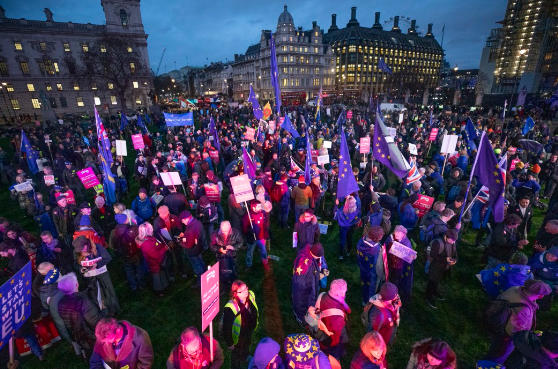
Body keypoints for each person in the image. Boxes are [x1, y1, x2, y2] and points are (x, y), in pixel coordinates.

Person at [483, 279, 552, 364]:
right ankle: (491, 364)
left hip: (496, 318)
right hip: (506, 336)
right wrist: (531, 335)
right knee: (500, 354)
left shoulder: (514, 288)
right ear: (541, 296)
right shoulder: (524, 309)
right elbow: (516, 332)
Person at [56, 272, 103, 358]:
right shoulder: (82, 301)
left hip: (79, 337)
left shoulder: (60, 302)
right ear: (76, 284)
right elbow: (96, 322)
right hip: (92, 336)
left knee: (90, 357)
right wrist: (104, 310)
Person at [73, 235, 120, 316]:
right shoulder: (76, 252)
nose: (82, 250)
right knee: (94, 294)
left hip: (102, 274)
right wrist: (80, 269)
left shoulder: (97, 247)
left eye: (83, 248)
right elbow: (75, 264)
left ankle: (113, 309)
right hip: (89, 278)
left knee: (107, 291)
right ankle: (100, 311)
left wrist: (97, 264)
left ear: (87, 243)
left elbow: (108, 258)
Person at [90, 318, 154, 369]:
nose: (105, 343)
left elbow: (145, 363)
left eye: (109, 340)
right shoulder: (103, 336)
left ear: (118, 330)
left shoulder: (141, 337)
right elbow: (95, 361)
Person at [223, 280, 258, 369]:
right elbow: (226, 328)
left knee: (247, 343)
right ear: (235, 294)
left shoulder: (251, 295)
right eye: (241, 291)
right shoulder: (230, 308)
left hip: (249, 330)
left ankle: (245, 356)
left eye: (246, 288)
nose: (246, 292)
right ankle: (235, 366)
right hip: (238, 336)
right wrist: (230, 343)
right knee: (236, 353)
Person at [315, 279, 351, 359]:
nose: (344, 294)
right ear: (340, 294)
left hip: (321, 327)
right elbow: (337, 337)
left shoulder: (323, 295)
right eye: (344, 293)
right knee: (334, 352)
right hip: (330, 341)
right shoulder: (337, 318)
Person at [109, 213, 145, 291]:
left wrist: (118, 251)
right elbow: (141, 239)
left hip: (124, 255)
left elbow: (111, 246)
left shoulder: (113, 232)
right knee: (139, 268)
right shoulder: (134, 228)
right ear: (125, 220)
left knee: (129, 270)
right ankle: (141, 285)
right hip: (135, 253)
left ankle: (133, 287)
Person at [292, 243, 326, 325]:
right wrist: (319, 276)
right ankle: (301, 319)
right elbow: (309, 280)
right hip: (303, 290)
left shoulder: (306, 251)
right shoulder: (306, 265)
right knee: (302, 303)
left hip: (298, 285)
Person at [426, 229, 458, 309]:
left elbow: (455, 253)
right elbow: (433, 255)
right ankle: (428, 296)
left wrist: (455, 260)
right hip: (435, 267)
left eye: (454, 241)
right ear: (446, 237)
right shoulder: (438, 243)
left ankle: (434, 291)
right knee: (432, 282)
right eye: (451, 241)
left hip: (444, 268)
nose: (452, 243)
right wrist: (445, 259)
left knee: (438, 280)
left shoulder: (453, 242)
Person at [136, 222, 169, 297]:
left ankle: (164, 287)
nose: (152, 229)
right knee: (157, 278)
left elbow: (157, 244)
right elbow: (155, 255)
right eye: (151, 228)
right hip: (155, 263)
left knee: (161, 275)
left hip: (159, 262)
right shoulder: (146, 243)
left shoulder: (150, 238)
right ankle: (159, 292)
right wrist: (165, 248)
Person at [385, 226, 415, 306]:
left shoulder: (406, 243)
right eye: (395, 233)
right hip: (390, 263)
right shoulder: (391, 238)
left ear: (403, 235)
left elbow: (408, 257)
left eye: (398, 234)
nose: (395, 235)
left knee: (396, 281)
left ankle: (393, 293)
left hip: (399, 267)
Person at [210, 221, 244, 292]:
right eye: (223, 231)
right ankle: (224, 287)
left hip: (232, 257)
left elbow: (241, 242)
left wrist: (233, 247)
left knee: (233, 272)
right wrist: (219, 249)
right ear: (220, 227)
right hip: (220, 257)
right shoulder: (215, 234)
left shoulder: (236, 233)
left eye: (226, 231)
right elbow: (211, 245)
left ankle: (233, 287)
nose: (224, 233)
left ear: (230, 227)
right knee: (222, 273)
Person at [365, 282, 401, 347]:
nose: (397, 296)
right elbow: (371, 332)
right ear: (389, 298)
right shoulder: (378, 314)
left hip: (388, 333)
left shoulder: (392, 303)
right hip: (381, 341)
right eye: (395, 295)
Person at [356, 226, 386, 306]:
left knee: (364, 282)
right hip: (372, 271)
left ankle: (364, 297)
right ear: (377, 237)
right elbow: (378, 263)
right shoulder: (375, 249)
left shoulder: (361, 240)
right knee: (370, 287)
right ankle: (367, 301)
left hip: (363, 266)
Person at [178, 210, 207, 288]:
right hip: (199, 247)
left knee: (197, 266)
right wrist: (185, 237)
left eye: (182, 220)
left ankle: (200, 282)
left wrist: (180, 241)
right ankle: (205, 275)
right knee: (201, 262)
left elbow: (188, 245)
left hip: (193, 251)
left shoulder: (190, 229)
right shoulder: (197, 222)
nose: (182, 222)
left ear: (186, 219)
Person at [243, 199, 271, 271]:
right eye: (258, 206)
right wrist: (249, 231)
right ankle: (248, 264)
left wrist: (266, 230)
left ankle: (265, 263)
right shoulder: (248, 216)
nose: (260, 208)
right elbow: (244, 227)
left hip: (261, 237)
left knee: (264, 251)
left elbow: (266, 222)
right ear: (253, 208)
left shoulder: (263, 213)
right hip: (252, 238)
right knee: (250, 251)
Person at [529, 246, 558, 310]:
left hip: (551, 287)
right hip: (537, 284)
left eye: (552, 256)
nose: (549, 256)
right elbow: (529, 274)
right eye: (548, 253)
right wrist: (550, 284)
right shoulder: (537, 260)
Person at [334, 195, 360, 260]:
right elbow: (357, 218)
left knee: (342, 240)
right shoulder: (356, 211)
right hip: (351, 226)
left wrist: (336, 205)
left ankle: (341, 255)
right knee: (349, 238)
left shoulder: (340, 211)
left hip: (343, 227)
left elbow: (335, 215)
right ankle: (348, 251)